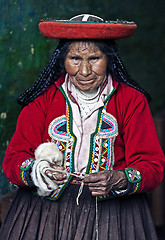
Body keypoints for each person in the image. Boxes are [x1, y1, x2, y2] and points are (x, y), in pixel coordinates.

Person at [0, 14, 165, 240]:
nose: (85, 71)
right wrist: (40, 171)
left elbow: (152, 166)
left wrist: (119, 178)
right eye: (75, 59)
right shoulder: (42, 99)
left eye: (95, 58)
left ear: (110, 59)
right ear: (62, 60)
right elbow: (13, 159)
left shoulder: (131, 101)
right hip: (46, 214)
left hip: (115, 217)